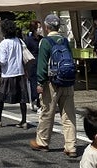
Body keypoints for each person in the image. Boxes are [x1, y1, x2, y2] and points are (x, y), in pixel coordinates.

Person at [30, 14, 78, 157]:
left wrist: (40, 82)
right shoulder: (65, 40)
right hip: (67, 82)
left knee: (47, 113)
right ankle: (71, 147)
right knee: (69, 115)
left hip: (52, 83)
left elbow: (42, 65)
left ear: (47, 27)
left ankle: (42, 142)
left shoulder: (45, 41)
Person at [0, 19, 29, 128]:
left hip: (8, 73)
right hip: (19, 72)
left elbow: (2, 60)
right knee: (22, 98)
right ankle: (24, 120)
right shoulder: (19, 40)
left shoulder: (4, 43)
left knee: (0, 96)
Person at [25, 20, 42, 112]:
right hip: (32, 63)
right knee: (33, 82)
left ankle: (39, 102)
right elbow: (25, 52)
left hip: (41, 62)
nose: (40, 29)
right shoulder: (28, 40)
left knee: (41, 82)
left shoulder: (41, 39)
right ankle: (33, 100)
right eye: (38, 27)